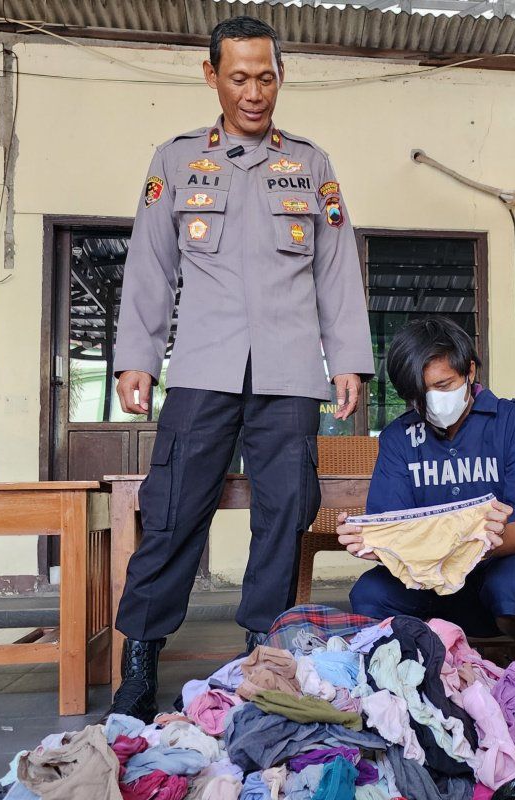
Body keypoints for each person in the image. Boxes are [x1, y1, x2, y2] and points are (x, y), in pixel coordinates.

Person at [108, 15, 373, 721]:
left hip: (289, 373)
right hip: (202, 366)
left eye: (266, 77)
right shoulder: (177, 160)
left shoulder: (310, 165)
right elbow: (150, 266)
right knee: (170, 513)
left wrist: (347, 358)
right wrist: (136, 355)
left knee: (284, 513)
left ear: (280, 76)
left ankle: (265, 650)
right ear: (212, 76)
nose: (254, 93)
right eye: (238, 78)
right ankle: (140, 657)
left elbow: (337, 270)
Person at [336, 317, 515, 676]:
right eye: (419, 394)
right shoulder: (399, 439)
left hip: (503, 572)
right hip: (430, 581)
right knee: (370, 593)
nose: (433, 402)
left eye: (444, 385)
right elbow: (393, 527)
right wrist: (372, 540)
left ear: (469, 371)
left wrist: (454, 543)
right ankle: (423, 672)